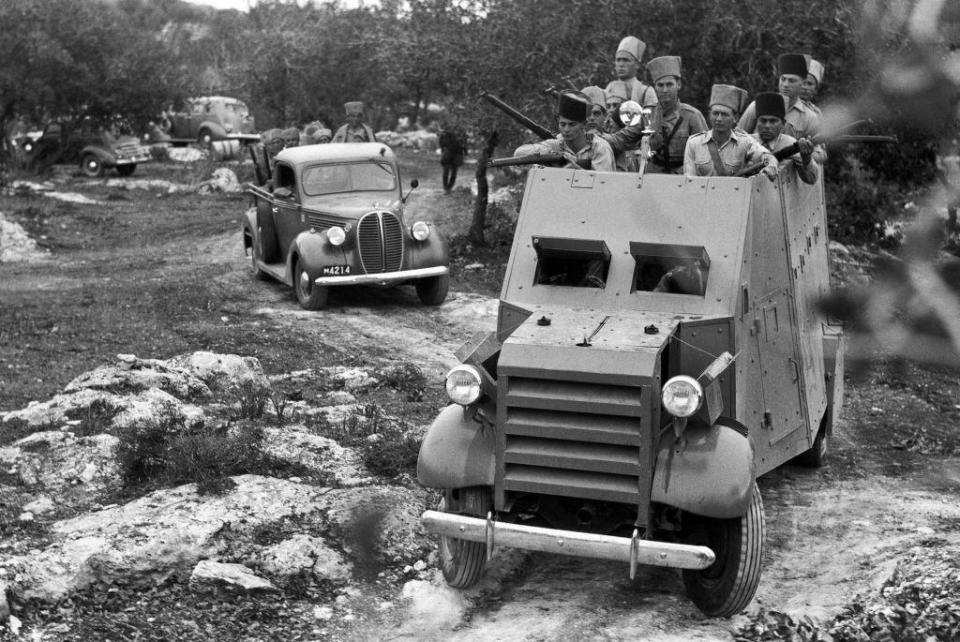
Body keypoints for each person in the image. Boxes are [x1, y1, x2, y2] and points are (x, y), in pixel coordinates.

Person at [684, 84, 777, 180]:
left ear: (735, 118)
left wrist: (770, 164)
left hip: (735, 193)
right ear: (709, 115)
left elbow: (766, 155)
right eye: (715, 113)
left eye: (724, 114)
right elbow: (689, 180)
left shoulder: (744, 142)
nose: (719, 119)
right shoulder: (694, 143)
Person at [514, 90, 615, 172]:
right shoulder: (557, 143)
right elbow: (518, 154)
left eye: (572, 125)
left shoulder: (600, 147)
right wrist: (552, 154)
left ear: (584, 124)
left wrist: (576, 168)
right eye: (563, 124)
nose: (566, 129)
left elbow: (604, 184)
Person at [644, 56, 708, 174]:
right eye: (660, 85)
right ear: (654, 87)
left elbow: (703, 157)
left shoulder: (692, 116)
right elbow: (625, 138)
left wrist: (678, 175)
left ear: (678, 85)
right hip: (652, 180)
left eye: (669, 84)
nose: (664, 90)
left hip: (684, 180)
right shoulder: (647, 114)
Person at [751, 92, 819, 185]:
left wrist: (806, 159)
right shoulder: (747, 143)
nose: (767, 126)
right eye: (763, 121)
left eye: (773, 121)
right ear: (756, 122)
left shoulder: (790, 144)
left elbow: (811, 179)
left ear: (783, 123)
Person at [582, 85, 646, 172]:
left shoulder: (613, 143)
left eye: (596, 113)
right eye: (587, 114)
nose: (591, 118)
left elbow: (642, 121)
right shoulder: (566, 140)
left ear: (605, 116)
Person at [605, 36, 658, 108]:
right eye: (618, 60)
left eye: (626, 60)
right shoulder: (609, 88)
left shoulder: (645, 91)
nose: (621, 64)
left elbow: (652, 117)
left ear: (637, 64)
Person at [439, 119, 468, 193]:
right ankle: (446, 187)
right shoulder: (448, 131)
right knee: (446, 171)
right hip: (449, 153)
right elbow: (442, 140)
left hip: (457, 153)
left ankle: (448, 187)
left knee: (453, 172)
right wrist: (443, 149)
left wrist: (465, 151)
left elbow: (464, 142)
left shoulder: (462, 132)